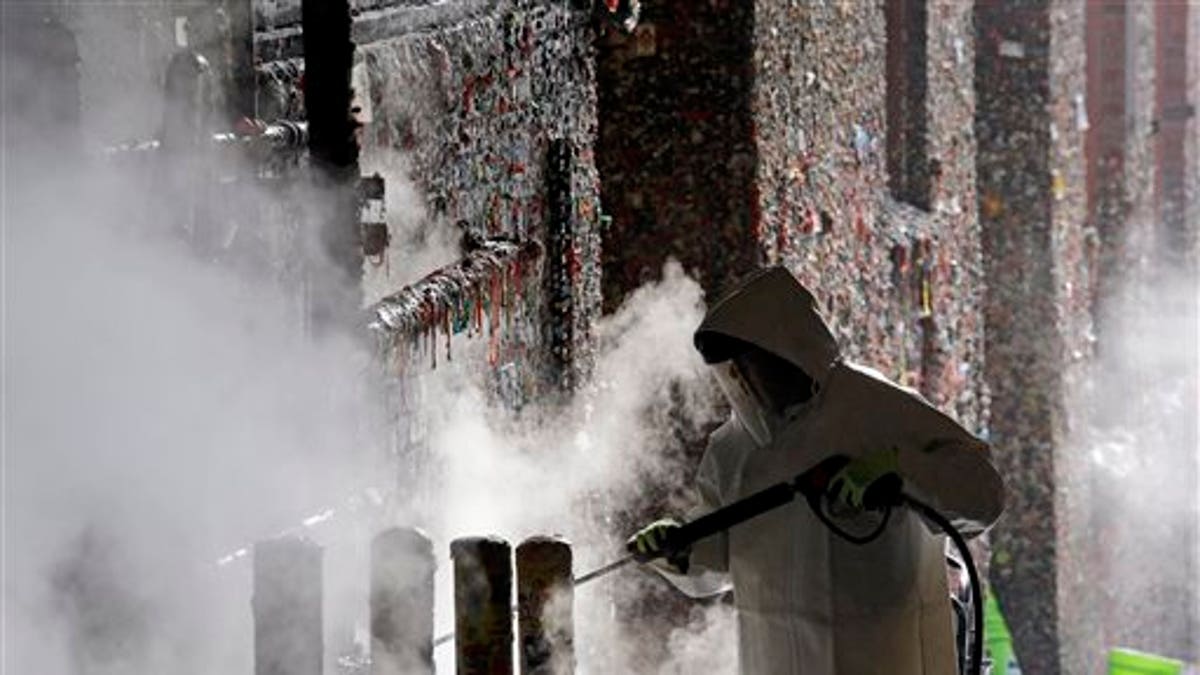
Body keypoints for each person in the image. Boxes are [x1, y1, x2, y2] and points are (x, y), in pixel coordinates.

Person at [629, 265, 1005, 674]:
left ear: (789, 350)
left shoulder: (878, 409)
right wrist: (681, 548)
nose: (744, 379)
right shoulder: (733, 449)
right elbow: (719, 560)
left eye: (753, 363)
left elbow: (983, 495)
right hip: (774, 656)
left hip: (879, 649)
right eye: (736, 368)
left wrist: (900, 470)